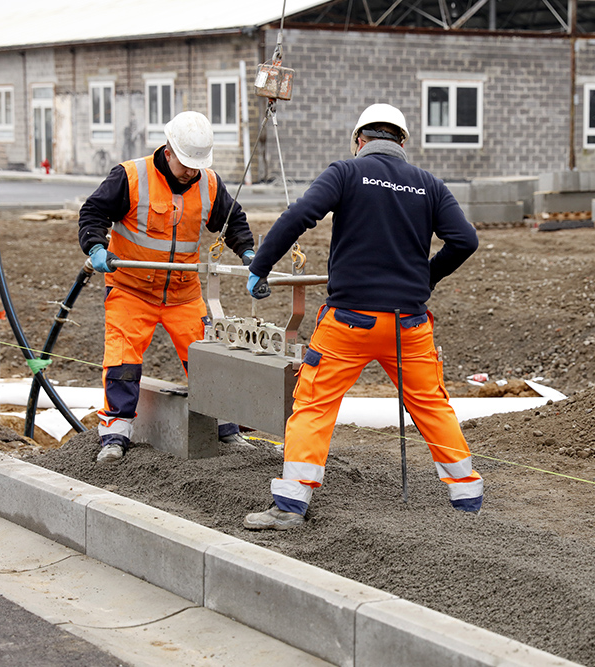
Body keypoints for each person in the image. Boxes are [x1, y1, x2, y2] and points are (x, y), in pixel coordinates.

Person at [242, 103, 483, 529]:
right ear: (403, 142)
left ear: (359, 141)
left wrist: (260, 265)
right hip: (408, 324)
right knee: (431, 405)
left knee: (313, 405)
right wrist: (426, 277)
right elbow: (465, 240)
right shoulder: (429, 184)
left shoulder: (346, 172)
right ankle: (467, 497)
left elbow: (299, 216)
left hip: (348, 322)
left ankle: (290, 506)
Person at [78, 110, 255, 463]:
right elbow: (94, 212)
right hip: (131, 289)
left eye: (197, 165)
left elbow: (232, 221)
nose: (191, 172)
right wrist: (96, 247)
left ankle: (225, 427)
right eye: (186, 163)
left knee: (207, 358)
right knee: (122, 360)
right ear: (169, 150)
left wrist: (249, 252)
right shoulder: (131, 176)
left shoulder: (209, 183)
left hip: (182, 293)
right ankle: (116, 433)